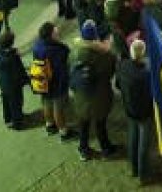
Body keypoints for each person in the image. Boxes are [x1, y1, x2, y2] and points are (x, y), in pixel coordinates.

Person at [70, 20, 117, 161]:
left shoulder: (74, 54)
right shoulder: (105, 56)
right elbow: (110, 73)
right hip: (99, 96)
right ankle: (106, 148)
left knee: (83, 124)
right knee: (100, 124)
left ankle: (83, 149)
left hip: (81, 97)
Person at [115, 39, 153, 181]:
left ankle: (134, 169)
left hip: (130, 109)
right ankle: (143, 175)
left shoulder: (122, 66)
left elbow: (118, 85)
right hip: (144, 111)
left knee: (132, 137)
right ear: (143, 54)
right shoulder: (147, 72)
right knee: (144, 142)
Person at [31, 22, 75, 139]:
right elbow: (62, 68)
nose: (58, 33)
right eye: (55, 32)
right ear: (49, 35)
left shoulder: (37, 45)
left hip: (43, 80)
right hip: (56, 82)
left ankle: (50, 125)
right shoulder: (56, 50)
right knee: (58, 107)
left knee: (46, 102)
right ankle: (63, 131)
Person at [0, 30, 28, 130]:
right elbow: (17, 71)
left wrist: (13, 52)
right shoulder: (10, 58)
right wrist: (26, 80)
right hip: (13, 85)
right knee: (16, 103)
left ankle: (8, 119)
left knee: (7, 102)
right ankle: (17, 123)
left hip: (4, 84)